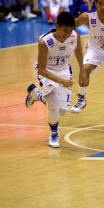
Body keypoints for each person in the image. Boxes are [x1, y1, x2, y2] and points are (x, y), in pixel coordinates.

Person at [25, 11, 87, 148]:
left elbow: (78, 50)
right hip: (47, 71)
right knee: (52, 103)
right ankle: (54, 134)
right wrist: (60, 81)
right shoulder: (45, 42)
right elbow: (41, 70)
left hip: (64, 70)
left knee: (61, 111)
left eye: (70, 30)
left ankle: (36, 95)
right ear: (57, 26)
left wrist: (82, 69)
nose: (67, 34)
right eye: (65, 30)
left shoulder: (75, 36)